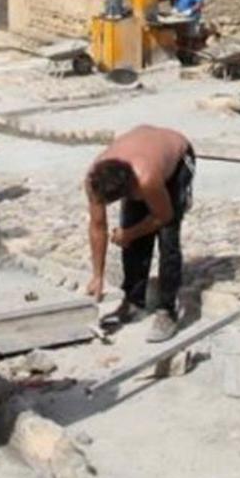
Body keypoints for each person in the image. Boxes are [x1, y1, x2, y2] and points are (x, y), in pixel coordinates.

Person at [84, 125, 196, 344]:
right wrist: (97, 276)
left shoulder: (146, 177)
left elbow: (163, 216)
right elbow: (98, 226)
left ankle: (167, 310)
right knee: (132, 227)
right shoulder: (93, 180)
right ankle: (134, 300)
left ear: (129, 189)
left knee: (167, 236)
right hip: (143, 150)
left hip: (178, 157)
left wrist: (129, 234)